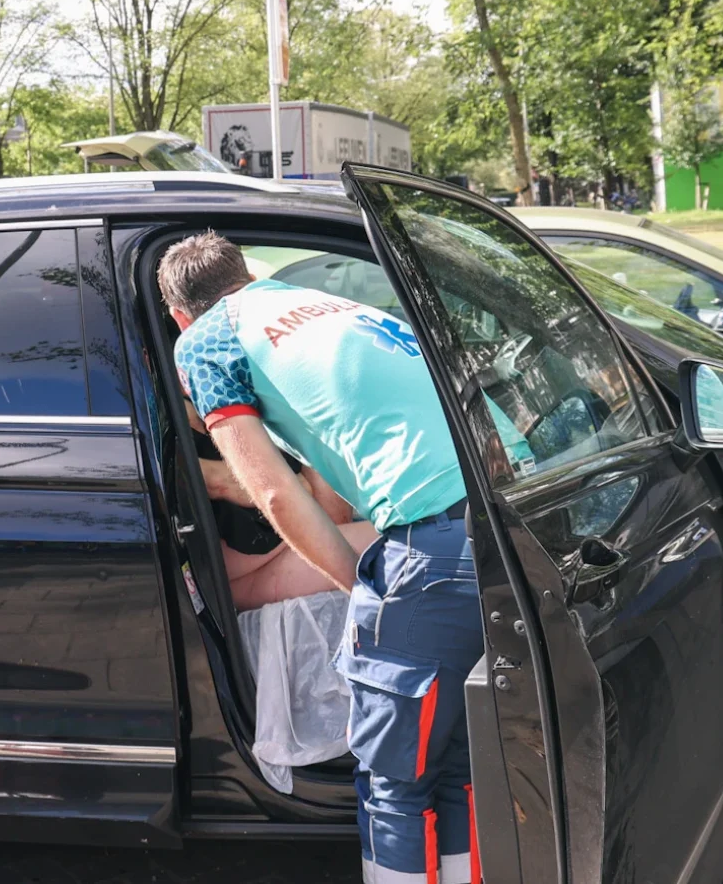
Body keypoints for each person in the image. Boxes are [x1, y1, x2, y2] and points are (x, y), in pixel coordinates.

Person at [159, 231, 483, 884]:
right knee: (455, 760)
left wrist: (360, 588)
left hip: (434, 541)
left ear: (177, 317)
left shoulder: (204, 341)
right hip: (500, 522)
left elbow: (273, 493)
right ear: (246, 276)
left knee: (395, 779)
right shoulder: (328, 309)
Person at [184, 397, 378, 610]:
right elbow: (270, 494)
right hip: (228, 555)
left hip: (264, 552)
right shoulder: (208, 391)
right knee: (392, 548)